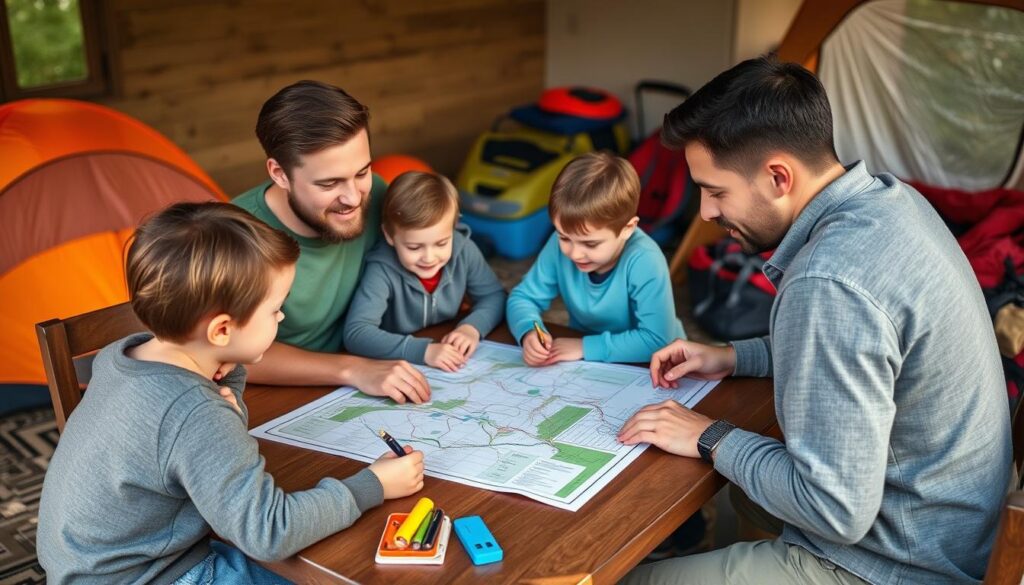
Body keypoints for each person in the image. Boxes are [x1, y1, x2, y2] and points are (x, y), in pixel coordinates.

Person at [618, 57, 1011, 585]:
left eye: (715, 191)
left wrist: (709, 435)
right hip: (951, 527)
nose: (706, 213)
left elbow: (835, 511)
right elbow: (869, 349)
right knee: (744, 492)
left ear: (779, 176)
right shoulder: (891, 201)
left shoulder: (827, 282)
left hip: (894, 563)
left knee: (625, 579)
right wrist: (735, 356)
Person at [37, 203, 425, 584]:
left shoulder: (124, 354)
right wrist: (372, 485)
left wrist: (226, 376)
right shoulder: (195, 414)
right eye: (275, 309)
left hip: (82, 566)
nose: (282, 317)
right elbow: (271, 532)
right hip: (157, 575)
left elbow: (185, 443)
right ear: (221, 330)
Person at [234, 80, 429, 404]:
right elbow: (229, 354)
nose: (353, 198)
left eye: (362, 172)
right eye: (329, 183)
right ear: (280, 174)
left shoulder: (378, 194)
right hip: (276, 399)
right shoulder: (235, 236)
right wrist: (352, 370)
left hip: (375, 374)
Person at [506, 151, 685, 366]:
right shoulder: (559, 243)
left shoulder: (645, 260)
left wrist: (584, 347)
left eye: (590, 244)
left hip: (659, 363)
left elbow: (657, 340)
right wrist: (528, 330)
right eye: (564, 237)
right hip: (590, 362)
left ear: (628, 229)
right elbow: (522, 298)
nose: (574, 253)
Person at [342, 171, 506, 371]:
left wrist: (471, 328)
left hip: (446, 342)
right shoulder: (381, 268)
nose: (429, 257)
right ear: (389, 235)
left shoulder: (463, 249)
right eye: (414, 247)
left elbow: (495, 296)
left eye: (441, 243)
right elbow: (357, 333)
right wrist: (422, 351)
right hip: (400, 358)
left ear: (453, 228)